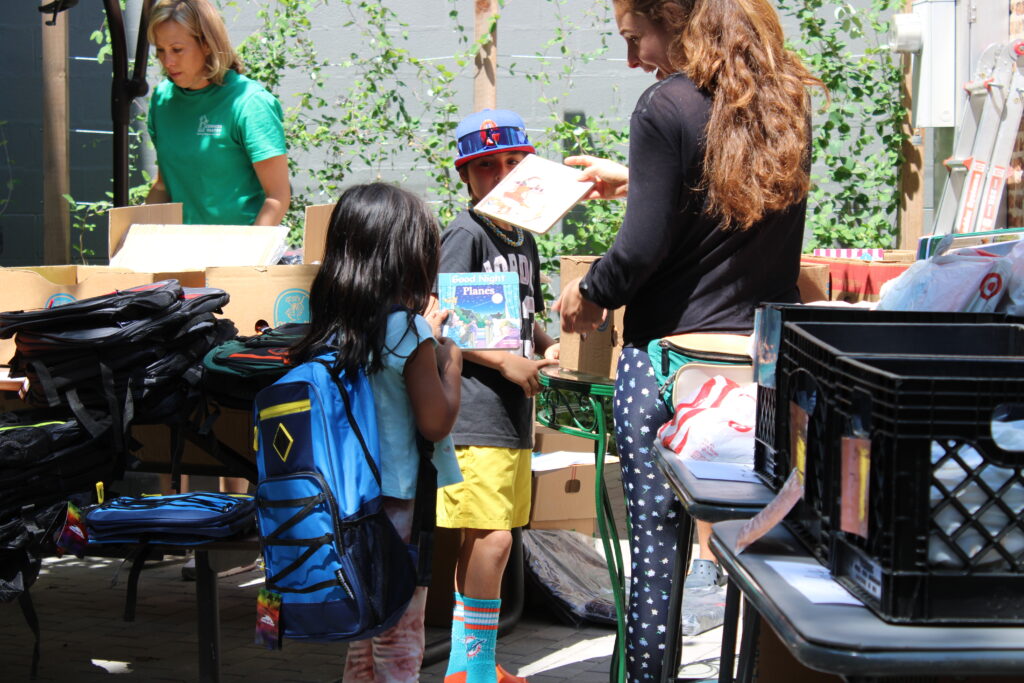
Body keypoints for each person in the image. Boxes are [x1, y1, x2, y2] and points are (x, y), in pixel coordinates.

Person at [555, 1, 823, 680]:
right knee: (761, 552)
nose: (633, 56)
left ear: (672, 19)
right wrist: (636, 177)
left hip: (672, 369)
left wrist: (589, 294)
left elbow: (641, 250)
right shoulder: (784, 103)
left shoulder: (662, 108)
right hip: (763, 371)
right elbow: (726, 198)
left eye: (635, 36)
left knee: (656, 560)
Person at [290, 183, 464, 682]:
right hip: (397, 502)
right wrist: (449, 358)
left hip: (343, 498)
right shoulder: (407, 332)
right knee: (400, 636)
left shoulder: (330, 327)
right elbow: (435, 421)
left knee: (365, 628)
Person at [435, 109, 559, 683]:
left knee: (481, 541)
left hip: (511, 416)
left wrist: (546, 343)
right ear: (465, 176)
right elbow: (446, 318)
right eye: (485, 167)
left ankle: (466, 667)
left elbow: (522, 314)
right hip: (476, 413)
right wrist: (507, 360)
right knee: (494, 543)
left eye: (512, 163)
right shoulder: (466, 234)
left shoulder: (522, 237)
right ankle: (478, 671)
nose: (501, 174)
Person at [145, 0, 290, 226]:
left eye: (177, 49)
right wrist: (139, 237)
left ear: (207, 44)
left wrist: (249, 255)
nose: (168, 61)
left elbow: (277, 197)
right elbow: (163, 186)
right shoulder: (163, 99)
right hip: (180, 252)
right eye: (161, 51)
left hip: (239, 252)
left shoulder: (249, 103)